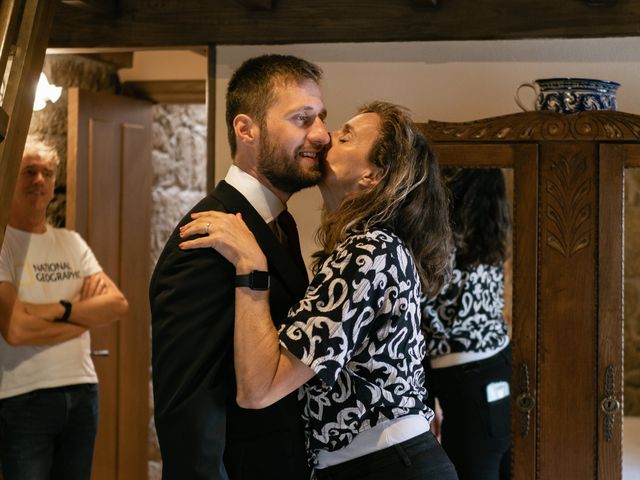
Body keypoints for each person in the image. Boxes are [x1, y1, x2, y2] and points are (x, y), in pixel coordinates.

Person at [179, 101, 459, 480]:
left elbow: (258, 390)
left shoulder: (369, 252)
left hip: (386, 466)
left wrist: (251, 267)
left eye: (345, 137)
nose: (325, 137)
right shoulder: (369, 248)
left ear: (371, 177)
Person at [149, 54, 329, 480]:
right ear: (246, 129)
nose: (322, 135)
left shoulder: (276, 226)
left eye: (322, 117)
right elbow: (189, 408)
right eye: (302, 119)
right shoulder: (205, 239)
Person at [0, 137, 129, 479]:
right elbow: (15, 330)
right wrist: (83, 315)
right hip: (22, 397)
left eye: (47, 173)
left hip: (84, 391)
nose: (39, 180)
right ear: (9, 175)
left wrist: (53, 309)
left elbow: (117, 304)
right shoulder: (3, 246)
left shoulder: (70, 242)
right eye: (29, 172)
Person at [421, 168, 512, 480]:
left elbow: (422, 321)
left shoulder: (437, 244)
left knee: (473, 466)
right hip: (497, 361)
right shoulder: (490, 244)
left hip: (465, 376)